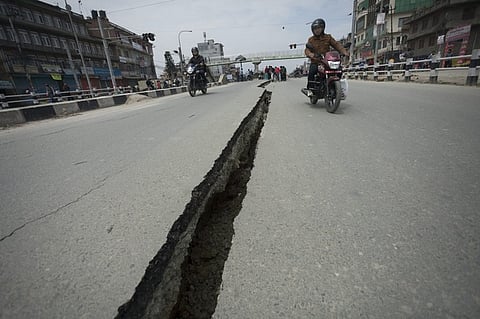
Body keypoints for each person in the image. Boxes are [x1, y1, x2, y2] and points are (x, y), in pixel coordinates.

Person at [304, 18, 349, 93]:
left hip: (327, 61)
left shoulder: (328, 37)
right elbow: (307, 50)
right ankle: (310, 90)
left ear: (323, 28)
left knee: (339, 70)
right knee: (311, 72)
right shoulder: (311, 40)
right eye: (315, 29)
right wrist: (310, 54)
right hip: (316, 61)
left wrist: (344, 52)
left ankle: (335, 87)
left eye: (319, 28)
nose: (317, 30)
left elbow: (337, 45)